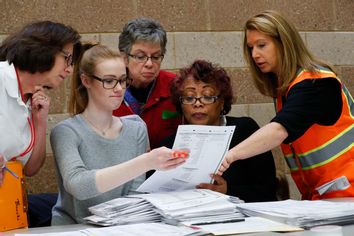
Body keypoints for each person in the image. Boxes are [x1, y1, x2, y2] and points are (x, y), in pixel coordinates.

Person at [218, 10, 354, 200]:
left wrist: (229, 156)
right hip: (327, 196)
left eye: (262, 45)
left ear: (284, 43)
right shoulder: (288, 89)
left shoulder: (316, 83)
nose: (255, 54)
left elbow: (279, 130)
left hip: (347, 193)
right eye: (251, 48)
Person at [50, 43, 186, 225]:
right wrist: (147, 161)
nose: (119, 88)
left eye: (122, 80)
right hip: (75, 228)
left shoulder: (137, 127)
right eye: (108, 81)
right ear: (86, 80)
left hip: (121, 226)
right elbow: (79, 185)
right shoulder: (66, 131)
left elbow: (135, 195)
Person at [0, 20, 81, 227]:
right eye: (67, 59)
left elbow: (30, 169)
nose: (70, 70)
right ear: (43, 49)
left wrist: (40, 121)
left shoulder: (30, 98)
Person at [161, 60, 278, 202]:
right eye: (190, 97)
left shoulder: (245, 130)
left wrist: (228, 191)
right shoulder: (169, 144)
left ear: (222, 101)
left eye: (208, 96)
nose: (198, 103)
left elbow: (268, 190)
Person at [113, 17, 182, 151]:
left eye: (156, 57)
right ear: (124, 58)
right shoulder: (107, 88)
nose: (150, 64)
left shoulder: (176, 86)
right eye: (140, 57)